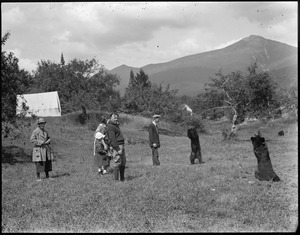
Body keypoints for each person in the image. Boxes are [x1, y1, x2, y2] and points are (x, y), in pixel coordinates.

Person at [107, 112, 126, 181]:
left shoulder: (116, 125)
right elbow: (112, 139)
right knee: (117, 162)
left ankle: (122, 178)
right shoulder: (110, 126)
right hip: (117, 146)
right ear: (110, 118)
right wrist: (117, 149)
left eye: (117, 117)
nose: (116, 118)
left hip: (121, 145)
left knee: (123, 162)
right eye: (114, 117)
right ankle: (116, 180)